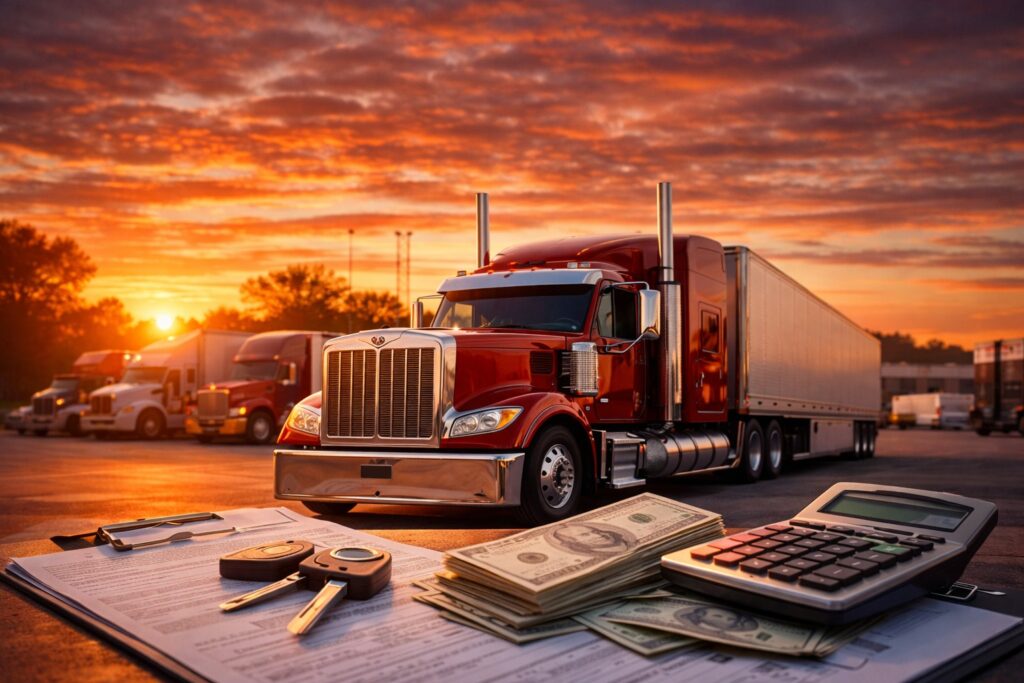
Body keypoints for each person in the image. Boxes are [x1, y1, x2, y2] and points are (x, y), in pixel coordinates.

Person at [546, 522, 634, 557]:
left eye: (596, 531)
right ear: (573, 542)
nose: (598, 535)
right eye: (585, 535)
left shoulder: (625, 543)